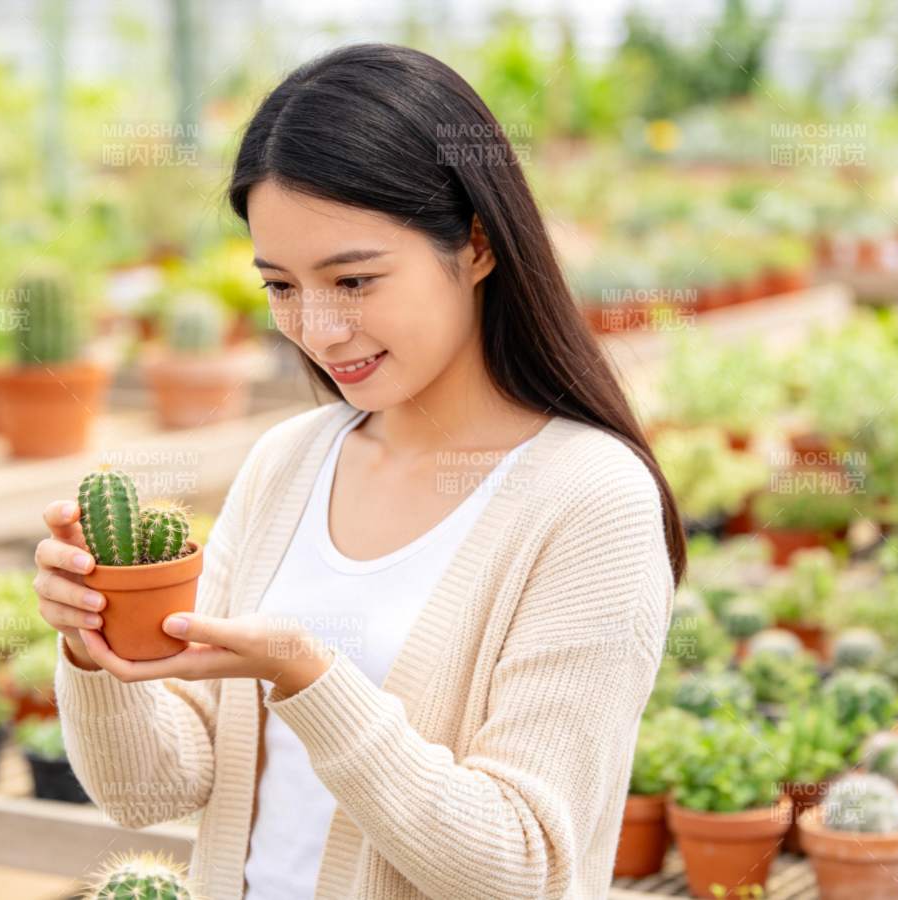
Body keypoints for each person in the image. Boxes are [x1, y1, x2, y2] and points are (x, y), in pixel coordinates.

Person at [33, 43, 683, 900]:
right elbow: (150, 789)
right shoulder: (289, 463)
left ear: (478, 244)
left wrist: (310, 678)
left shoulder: (587, 501)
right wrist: (96, 646)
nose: (318, 328)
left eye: (353, 279)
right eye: (281, 286)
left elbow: (522, 865)